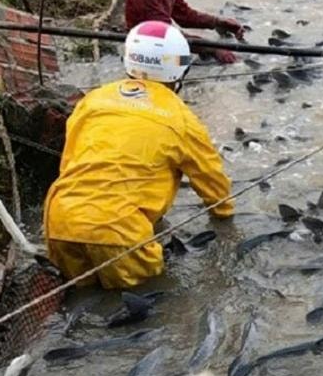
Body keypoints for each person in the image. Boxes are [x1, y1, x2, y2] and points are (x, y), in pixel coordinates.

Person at [44, 21, 233, 289]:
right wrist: (225, 218)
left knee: (81, 296)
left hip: (59, 222)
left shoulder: (93, 100)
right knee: (146, 299)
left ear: (128, 61)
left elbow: (69, 162)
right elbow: (213, 182)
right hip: (119, 234)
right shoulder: (182, 119)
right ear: (181, 71)